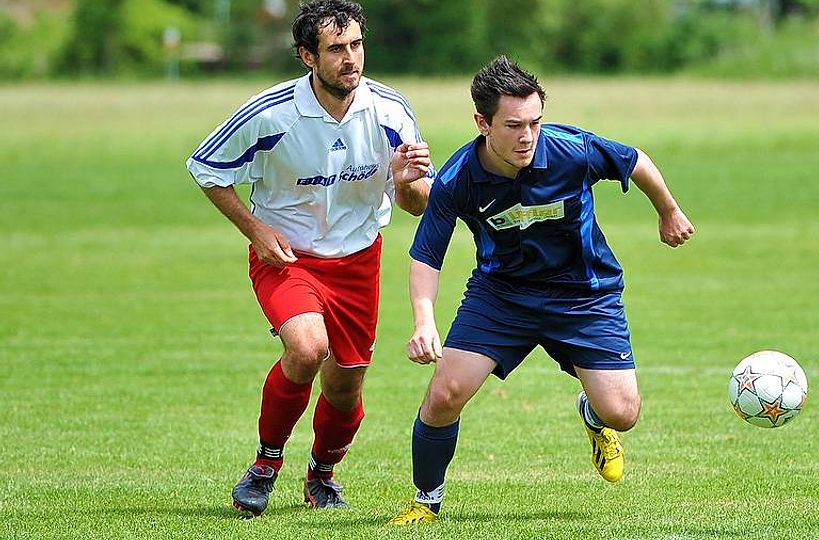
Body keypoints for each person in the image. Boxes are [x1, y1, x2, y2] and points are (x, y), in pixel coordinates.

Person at [387, 56, 695, 525]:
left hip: (584, 293)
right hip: (501, 296)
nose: (527, 136)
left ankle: (594, 416)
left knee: (622, 413)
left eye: (534, 122)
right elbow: (427, 254)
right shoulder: (458, 178)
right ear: (483, 124)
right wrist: (423, 321)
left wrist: (668, 211)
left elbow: (635, 161)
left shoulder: (571, 150)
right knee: (445, 393)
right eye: (513, 125)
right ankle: (425, 501)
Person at [185, 0, 433, 517]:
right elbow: (206, 167)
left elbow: (414, 203)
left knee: (346, 388)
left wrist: (407, 182)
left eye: (356, 45)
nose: (350, 58)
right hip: (287, 259)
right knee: (306, 348)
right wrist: (255, 229)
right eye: (336, 48)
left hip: (359, 262)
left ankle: (322, 475)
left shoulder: (391, 112)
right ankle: (265, 465)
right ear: (307, 56)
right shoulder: (270, 113)